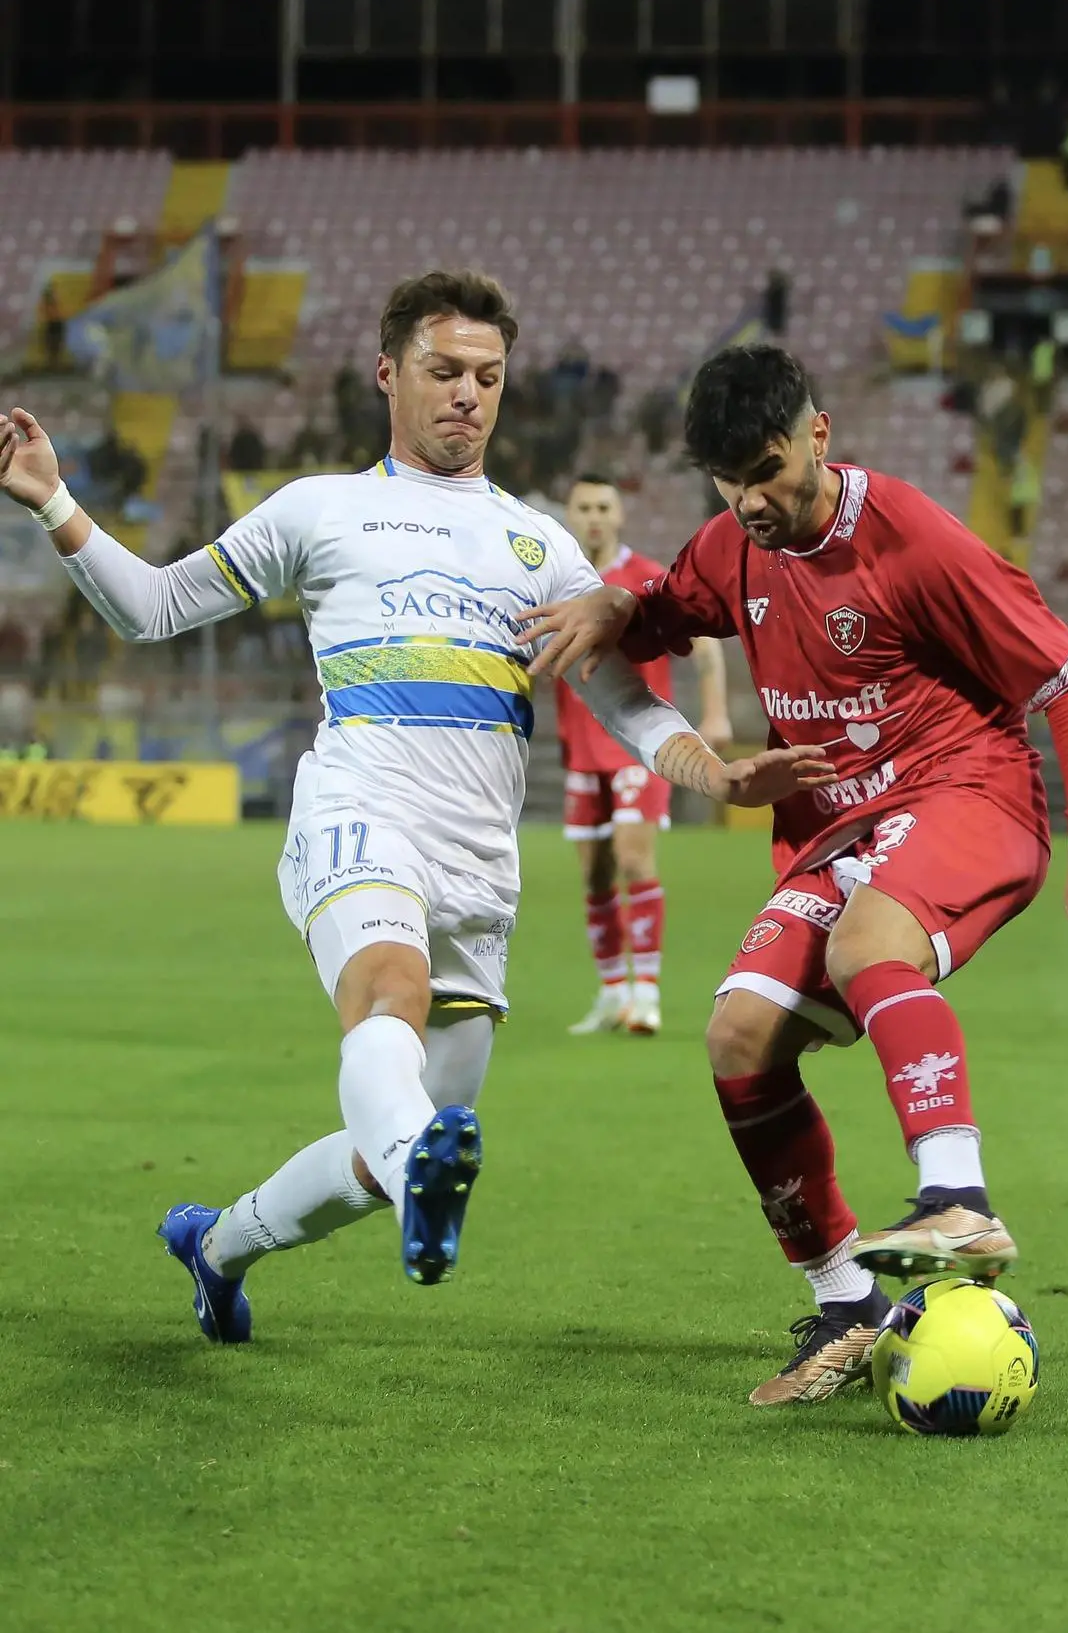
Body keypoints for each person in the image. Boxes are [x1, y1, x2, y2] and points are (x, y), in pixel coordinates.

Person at [0, 277, 830, 1347]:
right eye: (445, 373)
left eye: (487, 378)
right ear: (389, 373)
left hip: (479, 860)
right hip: (360, 808)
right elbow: (156, 606)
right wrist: (52, 498)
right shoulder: (318, 509)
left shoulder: (536, 547)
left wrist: (715, 773)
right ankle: (417, 1176)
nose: (468, 397)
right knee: (385, 997)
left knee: (397, 1136)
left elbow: (620, 696)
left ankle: (218, 1245)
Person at [520, 344, 1068, 1407]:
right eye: (726, 478)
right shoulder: (731, 545)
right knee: (737, 1038)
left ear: (818, 434)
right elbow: (665, 609)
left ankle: (956, 1194)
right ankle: (847, 1301)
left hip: (968, 794)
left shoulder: (912, 538)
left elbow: (1067, 684)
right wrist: (619, 612)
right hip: (842, 830)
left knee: (864, 944)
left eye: (766, 469)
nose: (750, 499)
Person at [557, 473, 732, 1037]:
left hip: (638, 746)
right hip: (580, 749)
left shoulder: (647, 577)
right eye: (583, 507)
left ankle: (647, 993)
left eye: (603, 506)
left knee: (635, 859)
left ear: (620, 514)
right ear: (570, 514)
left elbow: (703, 641)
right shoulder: (557, 581)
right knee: (596, 875)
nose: (594, 517)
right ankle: (611, 994)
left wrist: (715, 714)